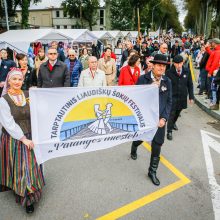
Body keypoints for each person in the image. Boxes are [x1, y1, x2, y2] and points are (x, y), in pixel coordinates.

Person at [0, 68, 45, 213]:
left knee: (31, 167)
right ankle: (27, 199)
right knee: (21, 168)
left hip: (31, 135)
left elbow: (39, 111)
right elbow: (8, 123)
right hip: (15, 138)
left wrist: (39, 94)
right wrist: (23, 139)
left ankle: (31, 195)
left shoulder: (27, 95)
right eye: (14, 79)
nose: (17, 82)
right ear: (9, 81)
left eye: (20, 79)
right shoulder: (4, 100)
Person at [130, 54, 172, 186]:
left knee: (157, 144)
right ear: (152, 65)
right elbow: (136, 99)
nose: (161, 68)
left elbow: (169, 102)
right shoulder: (143, 79)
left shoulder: (167, 81)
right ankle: (134, 146)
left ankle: (152, 171)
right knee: (141, 138)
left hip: (159, 120)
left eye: (163, 66)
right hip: (146, 119)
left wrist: (164, 118)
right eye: (159, 65)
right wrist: (149, 89)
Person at [166, 55, 194, 140]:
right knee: (172, 114)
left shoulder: (187, 71)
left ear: (183, 63)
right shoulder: (169, 72)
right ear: (173, 63)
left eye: (180, 63)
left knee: (178, 113)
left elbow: (190, 84)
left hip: (182, 96)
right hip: (172, 97)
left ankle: (173, 122)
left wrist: (191, 97)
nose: (179, 65)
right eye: (177, 63)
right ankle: (169, 131)